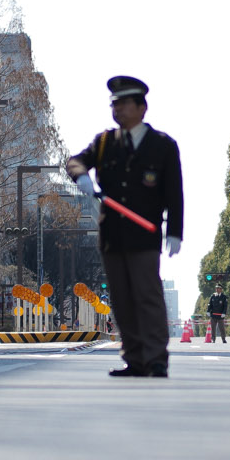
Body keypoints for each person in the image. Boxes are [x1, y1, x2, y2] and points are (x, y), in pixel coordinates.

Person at [64, 74, 185, 378]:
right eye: (114, 105)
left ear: (142, 108)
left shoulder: (162, 145)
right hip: (113, 236)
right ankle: (134, 359)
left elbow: (174, 192)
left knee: (147, 295)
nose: (117, 110)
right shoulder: (105, 143)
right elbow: (76, 160)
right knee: (121, 299)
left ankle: (156, 358)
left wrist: (175, 232)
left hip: (145, 235)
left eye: (124, 104)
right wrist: (81, 176)